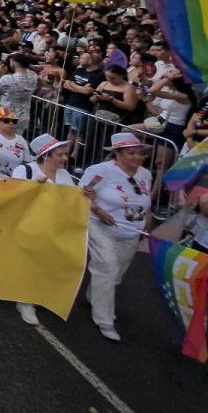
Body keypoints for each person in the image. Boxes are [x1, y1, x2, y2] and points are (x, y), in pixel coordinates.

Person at [79, 132, 153, 341]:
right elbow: (82, 194)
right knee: (107, 268)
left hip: (131, 232)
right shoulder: (100, 172)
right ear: (117, 155)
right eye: (131, 153)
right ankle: (104, 319)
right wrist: (99, 211)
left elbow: (146, 201)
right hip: (101, 227)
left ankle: (96, 295)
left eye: (140, 154)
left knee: (115, 274)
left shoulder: (145, 174)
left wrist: (148, 220)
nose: (137, 158)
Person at [9, 134, 80, 325]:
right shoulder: (25, 170)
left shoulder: (65, 175)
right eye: (60, 155)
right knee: (31, 262)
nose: (65, 158)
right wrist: (33, 187)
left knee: (48, 263)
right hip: (30, 226)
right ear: (46, 155)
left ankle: (39, 295)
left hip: (55, 228)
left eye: (65, 154)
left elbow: (73, 200)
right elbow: (14, 195)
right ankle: (24, 301)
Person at [0, 106, 31, 177]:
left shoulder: (21, 140)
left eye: (14, 121)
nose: (11, 123)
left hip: (13, 182)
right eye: (6, 120)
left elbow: (27, 162)